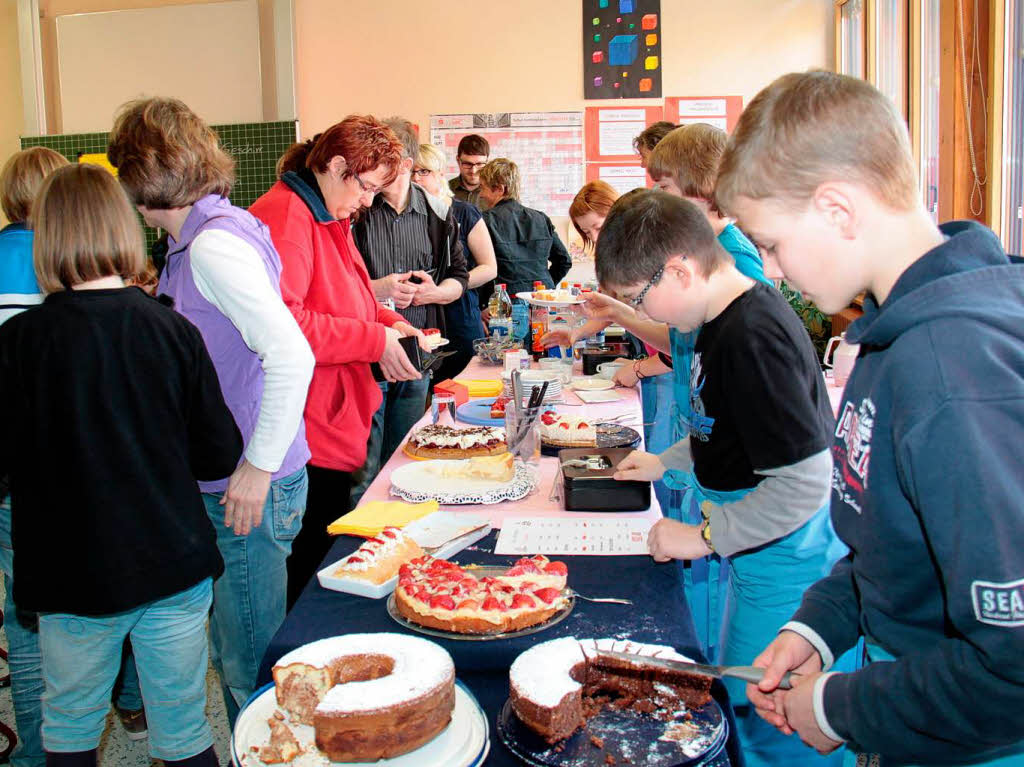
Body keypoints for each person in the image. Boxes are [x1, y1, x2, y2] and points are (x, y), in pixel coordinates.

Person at [716, 70, 1024, 767]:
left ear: (837, 209)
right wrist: (818, 625)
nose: (771, 268)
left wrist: (837, 705)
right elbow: (894, 549)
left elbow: (1012, 666)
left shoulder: (953, 371)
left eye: (771, 242)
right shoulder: (893, 337)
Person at [0, 162, 242, 766]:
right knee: (185, 726)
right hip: (171, 561)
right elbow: (218, 452)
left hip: (70, 574)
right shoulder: (173, 331)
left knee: (71, 723)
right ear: (124, 229)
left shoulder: (18, 343)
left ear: (47, 238)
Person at [602, 190, 847, 767]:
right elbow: (720, 427)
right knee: (744, 693)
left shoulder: (753, 336)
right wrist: (666, 462)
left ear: (680, 270)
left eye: (641, 299)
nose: (648, 316)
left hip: (785, 551)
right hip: (754, 540)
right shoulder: (713, 320)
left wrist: (707, 536)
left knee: (769, 712)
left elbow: (804, 484)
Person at [108, 98, 314, 725]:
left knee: (247, 655)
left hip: (247, 483)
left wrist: (255, 467)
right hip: (234, 474)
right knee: (241, 647)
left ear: (141, 174)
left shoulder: (210, 249)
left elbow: (291, 355)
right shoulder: (201, 237)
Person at [0, 147, 150, 762]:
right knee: (135, 598)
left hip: (27, 484)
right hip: (104, 477)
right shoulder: (92, 289)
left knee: (32, 615)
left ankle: (40, 748)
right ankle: (135, 705)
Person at [249, 116, 425, 608]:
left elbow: (349, 296)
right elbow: (286, 325)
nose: (369, 201)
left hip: (332, 417)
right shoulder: (287, 219)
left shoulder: (329, 213)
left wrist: (390, 323)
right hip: (306, 425)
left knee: (321, 549)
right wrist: (373, 340)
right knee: (304, 571)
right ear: (337, 165)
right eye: (367, 187)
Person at [350, 118, 468, 503]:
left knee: (406, 457)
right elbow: (339, 288)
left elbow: (459, 277)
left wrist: (435, 293)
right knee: (364, 466)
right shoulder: (356, 212)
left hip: (419, 353)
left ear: (401, 162)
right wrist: (378, 289)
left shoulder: (439, 212)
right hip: (368, 356)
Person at [414, 142, 497, 380]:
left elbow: (489, 267)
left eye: (424, 171)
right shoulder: (403, 218)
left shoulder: (465, 212)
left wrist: (448, 288)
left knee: (462, 383)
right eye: (411, 172)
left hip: (459, 313)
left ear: (440, 173)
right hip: (420, 314)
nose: (417, 179)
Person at [478, 158, 571, 300]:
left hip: (505, 303)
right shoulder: (541, 218)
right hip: (542, 300)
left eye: (483, 188)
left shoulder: (485, 221)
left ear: (500, 189)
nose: (481, 194)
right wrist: (545, 286)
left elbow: (479, 270)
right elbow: (564, 261)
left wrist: (483, 304)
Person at [448, 134, 489, 207]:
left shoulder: (496, 193)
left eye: (479, 164)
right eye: (467, 164)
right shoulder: (445, 191)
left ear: (487, 162)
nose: (473, 171)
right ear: (458, 160)